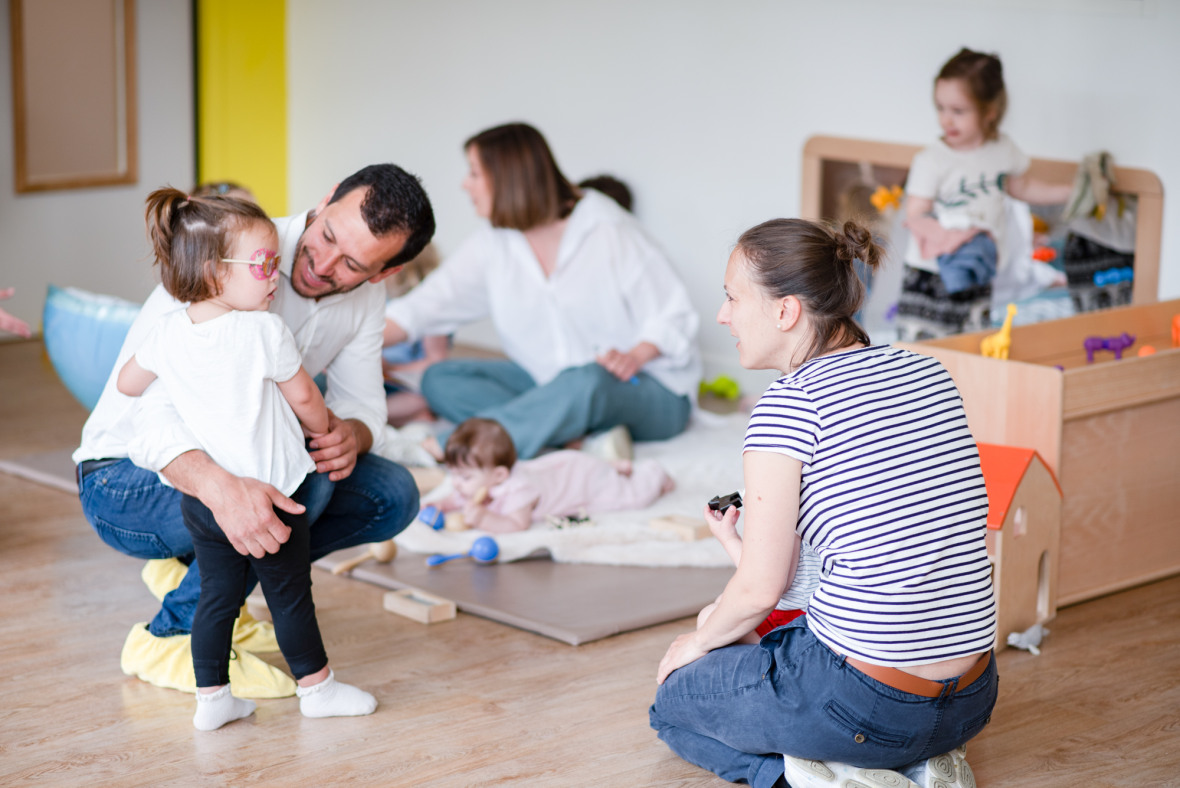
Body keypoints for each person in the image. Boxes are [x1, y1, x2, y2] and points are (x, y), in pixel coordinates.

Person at [650, 218, 997, 788]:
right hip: (971, 700)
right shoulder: (928, 370)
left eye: (733, 298)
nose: (723, 315)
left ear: (785, 311)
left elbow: (764, 592)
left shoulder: (789, 406)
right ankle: (919, 765)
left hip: (865, 704)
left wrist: (692, 644)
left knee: (674, 702)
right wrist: (739, 556)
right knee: (727, 625)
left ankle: (829, 777)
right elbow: (835, 578)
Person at [74, 164, 436, 697]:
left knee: (391, 496)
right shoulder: (228, 250)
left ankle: (207, 577)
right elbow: (145, 418)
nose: (323, 263)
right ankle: (174, 633)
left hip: (240, 465)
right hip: (124, 478)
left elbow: (363, 409)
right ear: (328, 196)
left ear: (381, 274)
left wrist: (350, 436)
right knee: (300, 483)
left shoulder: (364, 301)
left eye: (353, 263)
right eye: (327, 235)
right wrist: (222, 491)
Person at [117, 188, 375, 730]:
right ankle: (318, 689)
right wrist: (324, 429)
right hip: (274, 494)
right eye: (263, 265)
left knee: (218, 596)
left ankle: (211, 701)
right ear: (214, 272)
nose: (274, 276)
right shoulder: (264, 330)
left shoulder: (168, 332)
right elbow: (305, 398)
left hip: (205, 505)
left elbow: (128, 383)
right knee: (289, 595)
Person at [384, 122, 701, 460]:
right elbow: (424, 305)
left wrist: (635, 354)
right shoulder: (494, 242)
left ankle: (453, 446)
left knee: (587, 380)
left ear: (507, 176)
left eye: (474, 173)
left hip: (647, 390)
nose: (465, 184)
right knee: (440, 379)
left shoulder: (610, 228)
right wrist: (342, 338)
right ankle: (569, 438)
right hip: (548, 384)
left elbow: (676, 315)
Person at [897, 47, 1071, 340]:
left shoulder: (1002, 151)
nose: (946, 120)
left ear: (989, 111)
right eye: (940, 108)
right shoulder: (932, 160)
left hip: (980, 270)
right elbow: (915, 214)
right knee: (921, 346)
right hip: (930, 273)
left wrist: (1069, 192)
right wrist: (955, 239)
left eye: (958, 111)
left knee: (970, 341)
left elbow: (1022, 187)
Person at [436, 417, 675, 534]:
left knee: (631, 497)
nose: (456, 484)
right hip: (564, 467)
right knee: (594, 466)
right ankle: (613, 466)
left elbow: (518, 524)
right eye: (453, 474)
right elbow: (458, 498)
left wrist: (483, 518)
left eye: (465, 478)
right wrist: (440, 505)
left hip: (583, 481)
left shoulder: (518, 490)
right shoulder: (485, 482)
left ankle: (653, 474)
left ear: (499, 475)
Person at [695, 495, 821, 645]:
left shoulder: (788, 521)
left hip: (798, 621)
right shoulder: (796, 511)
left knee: (708, 617)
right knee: (723, 601)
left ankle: (764, 656)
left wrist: (728, 537)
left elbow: (763, 579)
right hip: (783, 608)